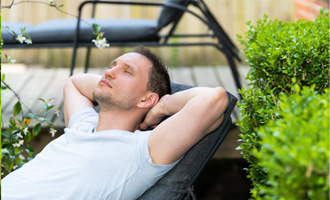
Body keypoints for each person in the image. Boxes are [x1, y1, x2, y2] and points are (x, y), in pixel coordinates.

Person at [2, 46, 228, 199]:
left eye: (127, 71)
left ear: (147, 98)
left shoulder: (143, 150)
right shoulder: (82, 126)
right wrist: (114, 83)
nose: (109, 72)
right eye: (112, 65)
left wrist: (161, 106)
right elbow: (74, 82)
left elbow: (215, 100)